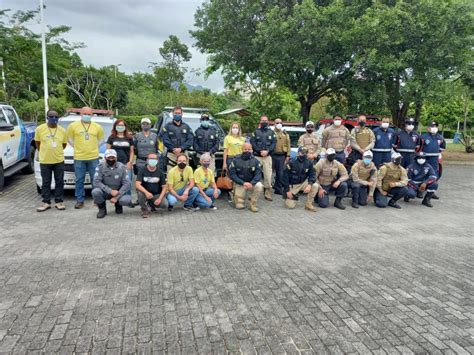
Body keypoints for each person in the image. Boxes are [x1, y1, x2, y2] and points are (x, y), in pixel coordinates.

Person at [66, 106, 104, 209]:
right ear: (81, 114)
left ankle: (97, 200)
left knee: (95, 179)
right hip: (79, 157)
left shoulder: (97, 127)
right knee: (79, 180)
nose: (87, 116)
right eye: (85, 114)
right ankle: (80, 201)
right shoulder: (73, 126)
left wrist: (93, 147)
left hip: (93, 157)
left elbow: (101, 140)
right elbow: (69, 139)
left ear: (91, 115)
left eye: (89, 114)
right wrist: (78, 147)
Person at [34, 110, 68, 212]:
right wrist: (45, 152)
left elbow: (64, 145)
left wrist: (55, 151)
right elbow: (37, 143)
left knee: (59, 181)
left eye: (56, 117)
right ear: (47, 117)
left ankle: (59, 201)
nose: (54, 119)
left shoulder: (62, 130)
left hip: (58, 160)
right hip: (45, 161)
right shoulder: (40, 129)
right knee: (46, 182)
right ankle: (46, 202)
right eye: (51, 116)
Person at [91, 149, 131, 218]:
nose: (111, 159)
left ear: (116, 158)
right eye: (109, 158)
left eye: (113, 157)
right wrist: (110, 191)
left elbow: (127, 183)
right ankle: (102, 209)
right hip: (105, 191)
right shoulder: (100, 167)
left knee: (126, 200)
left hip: (118, 192)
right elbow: (96, 181)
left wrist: (116, 197)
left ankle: (118, 204)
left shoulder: (122, 167)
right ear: (105, 158)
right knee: (95, 192)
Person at [229, 143, 264, 212]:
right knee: (239, 206)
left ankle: (252, 203)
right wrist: (243, 183)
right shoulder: (235, 160)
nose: (247, 151)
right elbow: (232, 175)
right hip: (240, 183)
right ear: (241, 149)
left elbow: (258, 174)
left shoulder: (256, 161)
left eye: (249, 149)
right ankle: (235, 197)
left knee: (259, 186)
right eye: (245, 149)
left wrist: (252, 183)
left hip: (251, 183)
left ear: (252, 150)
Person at [281, 147, 318, 212]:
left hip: (303, 183)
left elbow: (312, 175)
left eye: (305, 153)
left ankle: (308, 204)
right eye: (302, 153)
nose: (304, 155)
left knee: (315, 185)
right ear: (298, 153)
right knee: (290, 206)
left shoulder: (309, 162)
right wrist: (287, 190)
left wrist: (309, 184)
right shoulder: (291, 162)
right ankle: (294, 195)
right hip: (292, 185)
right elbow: (285, 177)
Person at [250, 115, 276, 201]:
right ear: (260, 121)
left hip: (267, 157)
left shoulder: (271, 132)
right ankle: (253, 193)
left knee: (268, 176)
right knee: (254, 175)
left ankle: (267, 193)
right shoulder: (256, 132)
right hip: (257, 156)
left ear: (268, 121)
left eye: (266, 120)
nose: (264, 122)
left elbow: (273, 144)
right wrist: (260, 151)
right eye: (263, 120)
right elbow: (253, 143)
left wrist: (267, 151)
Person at [135, 153, 168, 218]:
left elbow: (164, 187)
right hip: (144, 193)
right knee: (140, 193)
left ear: (157, 161)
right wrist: (146, 193)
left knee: (165, 204)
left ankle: (151, 203)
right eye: (150, 159)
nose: (152, 160)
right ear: (147, 160)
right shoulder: (142, 170)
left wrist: (160, 199)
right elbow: (137, 184)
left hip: (156, 194)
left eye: (154, 159)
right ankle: (145, 210)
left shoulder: (160, 172)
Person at [161, 106, 193, 171]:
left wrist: (181, 148)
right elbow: (165, 139)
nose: (177, 115)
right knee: (170, 175)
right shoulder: (167, 126)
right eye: (176, 113)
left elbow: (190, 140)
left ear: (182, 114)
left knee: (185, 176)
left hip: (184, 155)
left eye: (179, 113)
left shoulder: (186, 127)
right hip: (171, 154)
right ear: (173, 113)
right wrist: (173, 149)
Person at [107, 119, 134, 195]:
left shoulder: (129, 138)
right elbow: (108, 151)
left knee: (127, 182)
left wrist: (130, 162)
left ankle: (127, 199)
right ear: (115, 127)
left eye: (122, 125)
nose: (120, 127)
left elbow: (132, 151)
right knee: (116, 182)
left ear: (125, 127)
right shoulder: (111, 137)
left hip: (126, 164)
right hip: (114, 164)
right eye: (118, 125)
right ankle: (117, 199)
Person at [420, 121, 445, 200]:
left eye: (435, 126)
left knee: (434, 174)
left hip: (434, 159)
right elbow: (419, 148)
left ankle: (431, 191)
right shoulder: (423, 137)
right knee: (423, 173)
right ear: (428, 128)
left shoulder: (440, 137)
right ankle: (420, 190)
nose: (434, 128)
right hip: (424, 158)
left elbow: (442, 148)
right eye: (432, 126)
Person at [271, 118, 291, 195]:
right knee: (270, 173)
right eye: (277, 123)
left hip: (281, 156)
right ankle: (268, 189)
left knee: (280, 173)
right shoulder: (271, 133)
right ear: (274, 124)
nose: (279, 124)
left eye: (280, 122)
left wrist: (288, 155)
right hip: (272, 155)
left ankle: (278, 189)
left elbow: (288, 145)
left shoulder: (285, 134)